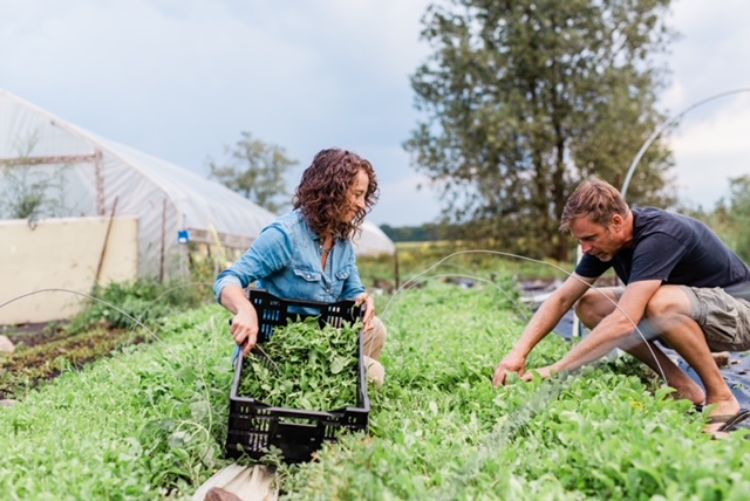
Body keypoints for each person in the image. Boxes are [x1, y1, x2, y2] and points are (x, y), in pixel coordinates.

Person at [493, 177, 750, 436]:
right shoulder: (607, 245)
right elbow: (562, 298)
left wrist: (554, 370)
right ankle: (682, 387)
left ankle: (721, 396)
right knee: (591, 304)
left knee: (659, 303)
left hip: (739, 315)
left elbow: (623, 321)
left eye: (590, 238)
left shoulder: (659, 236)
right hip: (692, 316)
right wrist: (519, 352)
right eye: (581, 241)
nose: (585, 248)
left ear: (616, 222)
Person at [214, 148, 387, 386]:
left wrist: (363, 299)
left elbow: (352, 290)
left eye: (364, 196)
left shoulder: (342, 242)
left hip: (318, 349)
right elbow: (228, 279)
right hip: (278, 355)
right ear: (333, 190)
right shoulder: (285, 236)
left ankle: (340, 401)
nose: (362, 205)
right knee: (373, 374)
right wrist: (244, 308)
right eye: (357, 195)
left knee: (375, 329)